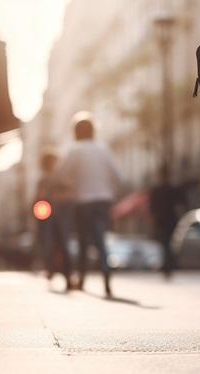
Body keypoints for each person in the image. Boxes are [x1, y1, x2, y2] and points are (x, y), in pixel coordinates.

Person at [54, 113, 125, 297]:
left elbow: (60, 174)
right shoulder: (103, 150)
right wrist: (111, 195)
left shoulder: (76, 150)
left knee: (84, 241)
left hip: (83, 201)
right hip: (103, 200)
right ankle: (106, 272)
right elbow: (120, 177)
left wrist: (70, 184)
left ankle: (83, 278)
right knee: (101, 238)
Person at [36, 152, 74, 291]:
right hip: (51, 215)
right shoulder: (45, 179)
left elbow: (68, 192)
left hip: (58, 214)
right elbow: (41, 196)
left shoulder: (59, 178)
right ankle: (55, 270)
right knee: (53, 244)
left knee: (61, 244)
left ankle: (63, 273)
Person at [148, 164, 186, 279]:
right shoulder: (158, 190)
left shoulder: (171, 190)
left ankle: (168, 265)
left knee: (168, 244)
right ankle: (168, 266)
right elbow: (153, 208)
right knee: (165, 244)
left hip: (170, 221)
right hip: (164, 221)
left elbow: (182, 204)